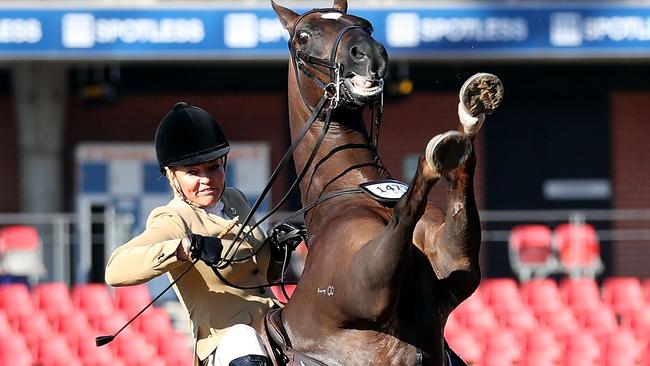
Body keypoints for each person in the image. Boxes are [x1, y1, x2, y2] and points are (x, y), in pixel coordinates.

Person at [105, 101, 291, 366]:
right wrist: (182, 248)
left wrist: (280, 249)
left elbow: (261, 277)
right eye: (193, 172)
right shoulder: (172, 218)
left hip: (275, 325)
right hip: (227, 341)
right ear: (172, 176)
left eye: (214, 167)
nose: (207, 179)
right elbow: (115, 270)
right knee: (243, 336)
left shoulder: (235, 199)